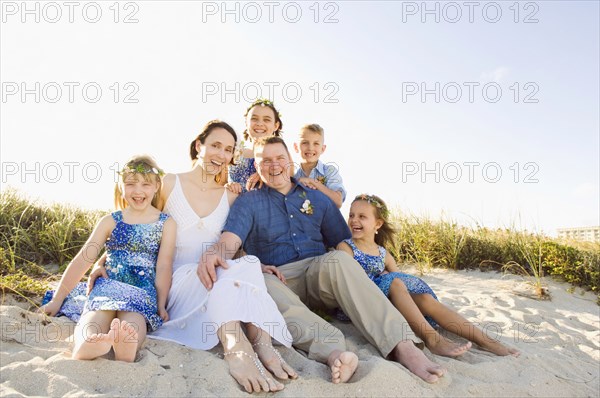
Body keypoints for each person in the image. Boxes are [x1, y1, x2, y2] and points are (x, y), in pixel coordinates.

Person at [198, 136, 448, 384]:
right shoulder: (248, 201)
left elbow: (345, 243)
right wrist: (214, 254)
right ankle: (335, 353)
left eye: (280, 159)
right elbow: (230, 239)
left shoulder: (316, 196)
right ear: (256, 166)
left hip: (319, 273)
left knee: (338, 259)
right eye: (265, 161)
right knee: (262, 284)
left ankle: (402, 344)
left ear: (291, 160)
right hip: (278, 276)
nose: (274, 166)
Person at [141, 120, 295, 393]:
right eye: (215, 145)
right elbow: (137, 226)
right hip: (176, 283)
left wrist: (259, 266)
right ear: (199, 146)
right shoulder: (169, 183)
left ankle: (263, 343)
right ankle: (237, 348)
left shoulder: (230, 196)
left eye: (228, 149)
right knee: (228, 273)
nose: (221, 155)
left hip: (215, 279)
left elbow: (234, 248)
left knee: (248, 262)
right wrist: (105, 262)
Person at [338, 194, 521, 357]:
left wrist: (394, 283)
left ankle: (486, 340)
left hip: (389, 300)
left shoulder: (383, 253)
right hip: (363, 303)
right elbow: (351, 281)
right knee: (394, 283)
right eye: (351, 215)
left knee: (423, 298)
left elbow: (400, 281)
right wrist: (387, 280)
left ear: (378, 224)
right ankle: (433, 340)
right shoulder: (346, 247)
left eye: (362, 216)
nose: (354, 220)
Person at [40, 155, 176, 363]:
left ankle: (126, 348)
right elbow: (83, 259)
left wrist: (161, 303)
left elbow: (164, 265)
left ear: (157, 186)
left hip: (141, 289)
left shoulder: (166, 223)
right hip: (109, 284)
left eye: (145, 184)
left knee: (133, 321)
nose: (138, 191)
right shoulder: (111, 221)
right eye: (130, 184)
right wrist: (58, 299)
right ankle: (86, 343)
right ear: (121, 186)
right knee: (96, 314)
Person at [226, 98, 283, 193]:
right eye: (254, 119)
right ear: (246, 123)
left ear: (275, 126)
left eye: (267, 120)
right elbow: (219, 183)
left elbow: (289, 176)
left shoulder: (281, 153)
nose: (260, 123)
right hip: (235, 205)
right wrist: (228, 186)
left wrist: (265, 174)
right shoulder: (235, 154)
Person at [293, 123, 346, 208]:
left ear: (323, 149)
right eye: (305, 142)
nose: (310, 148)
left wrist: (312, 182)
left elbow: (338, 202)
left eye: (316, 144)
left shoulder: (329, 171)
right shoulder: (292, 176)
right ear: (296, 147)